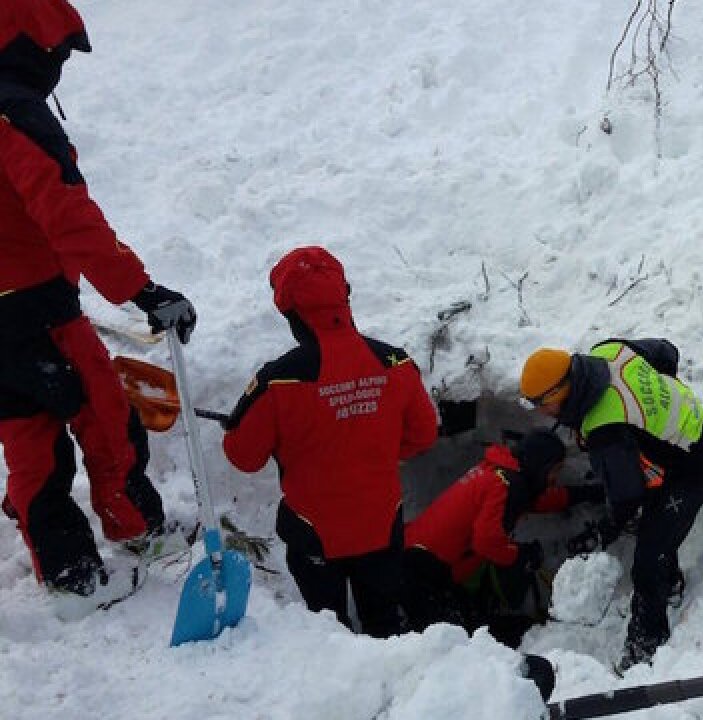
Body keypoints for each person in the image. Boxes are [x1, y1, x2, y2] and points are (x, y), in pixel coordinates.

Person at [0, 0, 197, 618]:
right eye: (57, 54)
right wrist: (142, 291)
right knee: (105, 414)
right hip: (36, 307)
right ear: (32, 50)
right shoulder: (17, 114)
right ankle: (136, 527)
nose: (61, 66)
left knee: (29, 438)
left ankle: (67, 575)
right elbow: (68, 216)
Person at [222, 246, 438, 638]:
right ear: (345, 296)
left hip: (313, 532)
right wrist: (376, 450)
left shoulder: (279, 380)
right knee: (386, 624)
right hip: (382, 522)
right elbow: (423, 434)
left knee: (326, 631)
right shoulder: (396, 363)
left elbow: (243, 457)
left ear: (289, 312)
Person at [520, 339, 703, 670]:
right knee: (657, 522)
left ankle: (646, 646)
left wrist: (606, 530)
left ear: (559, 392)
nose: (539, 412)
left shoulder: (604, 427)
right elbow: (666, 352)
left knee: (648, 557)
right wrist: (661, 409)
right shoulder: (609, 352)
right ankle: (669, 582)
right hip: (695, 428)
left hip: (696, 464)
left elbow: (627, 497)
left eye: (539, 404)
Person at [402, 428, 604, 646]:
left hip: (425, 560)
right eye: (554, 471)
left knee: (471, 628)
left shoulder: (503, 474)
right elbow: (486, 541)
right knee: (455, 643)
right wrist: (518, 555)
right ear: (540, 466)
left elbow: (538, 501)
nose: (554, 479)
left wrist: (587, 494)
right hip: (422, 570)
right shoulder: (503, 484)